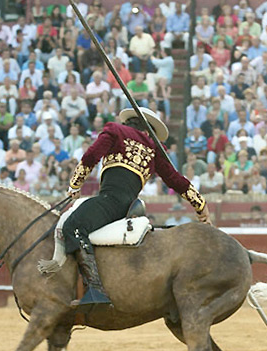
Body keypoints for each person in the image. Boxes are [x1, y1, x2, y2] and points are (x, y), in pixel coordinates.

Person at [51, 107, 211, 309]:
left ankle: (95, 289)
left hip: (111, 201)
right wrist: (200, 205)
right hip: (130, 206)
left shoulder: (115, 130)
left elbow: (91, 156)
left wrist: (75, 185)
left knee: (73, 226)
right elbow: (175, 180)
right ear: (148, 131)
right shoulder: (154, 149)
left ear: (129, 123)